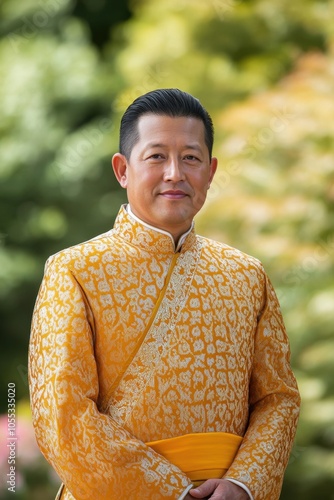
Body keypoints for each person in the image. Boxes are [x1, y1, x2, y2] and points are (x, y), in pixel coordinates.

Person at [29, 88, 301, 500]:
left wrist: (243, 485)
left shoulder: (248, 275)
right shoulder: (75, 270)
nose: (175, 173)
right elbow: (62, 414)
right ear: (122, 169)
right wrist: (170, 492)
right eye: (156, 156)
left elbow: (278, 398)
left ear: (210, 172)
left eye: (190, 158)